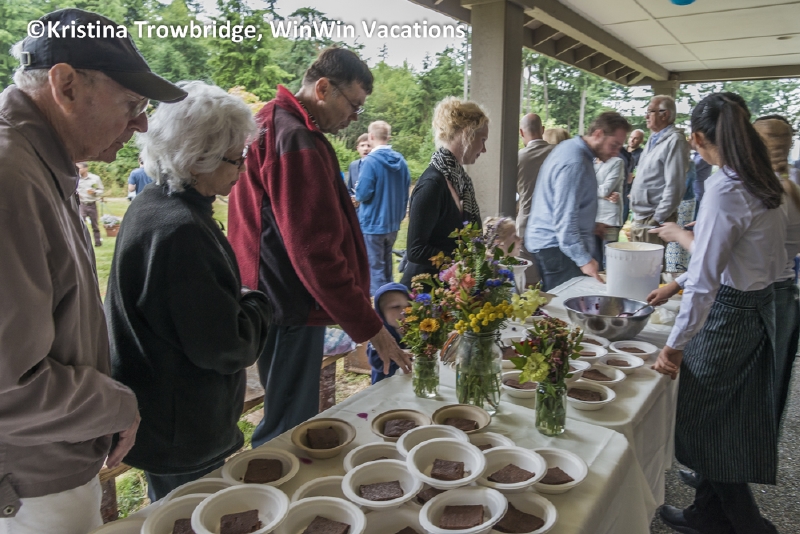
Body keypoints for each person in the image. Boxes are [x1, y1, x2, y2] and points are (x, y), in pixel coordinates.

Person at [0, 8, 186, 534]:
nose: (142, 123)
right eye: (132, 104)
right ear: (65, 85)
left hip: (45, 466)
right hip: (29, 486)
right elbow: (8, 385)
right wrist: (116, 405)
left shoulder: (38, 165)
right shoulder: (11, 180)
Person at [227, 48, 411, 448]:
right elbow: (314, 250)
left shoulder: (272, 121)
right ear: (324, 88)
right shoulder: (294, 137)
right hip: (288, 300)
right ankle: (275, 484)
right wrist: (371, 328)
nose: (354, 118)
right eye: (354, 105)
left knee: (286, 413)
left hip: (271, 294)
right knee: (288, 427)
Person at [105, 82, 272, 501]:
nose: (243, 168)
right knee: (191, 514)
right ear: (199, 159)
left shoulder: (152, 204)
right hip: (183, 429)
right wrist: (257, 303)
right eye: (236, 158)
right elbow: (226, 346)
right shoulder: (181, 231)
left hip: (162, 416)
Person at [647, 93, 786, 534]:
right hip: (758, 308)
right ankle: (705, 515)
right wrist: (675, 283)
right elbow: (729, 260)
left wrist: (674, 345)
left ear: (697, 138)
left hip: (729, 315)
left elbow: (709, 280)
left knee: (703, 424)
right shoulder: (760, 179)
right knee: (725, 419)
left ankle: (750, 526)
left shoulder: (725, 188)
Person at [525, 111, 631, 292]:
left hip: (557, 247)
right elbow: (564, 221)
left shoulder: (571, 148)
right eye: (614, 145)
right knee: (565, 305)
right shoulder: (575, 162)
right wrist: (585, 260)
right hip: (559, 249)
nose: (616, 152)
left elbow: (563, 206)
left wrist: (591, 225)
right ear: (598, 134)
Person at [401, 96, 488, 287]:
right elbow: (416, 250)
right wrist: (462, 262)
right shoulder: (432, 184)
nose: (484, 149)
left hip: (449, 291)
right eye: (482, 140)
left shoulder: (461, 181)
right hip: (423, 293)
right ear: (467, 134)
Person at [753, 115, 800, 424]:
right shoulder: (792, 185)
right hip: (786, 295)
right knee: (775, 384)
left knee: (753, 389)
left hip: (762, 296)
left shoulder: (764, 191)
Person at [356, 120, 411, 295]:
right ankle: (392, 300)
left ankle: (380, 304)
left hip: (372, 223)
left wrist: (357, 189)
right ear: (388, 137)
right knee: (387, 267)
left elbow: (362, 194)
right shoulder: (401, 161)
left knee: (375, 269)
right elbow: (406, 192)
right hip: (393, 223)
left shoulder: (370, 162)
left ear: (371, 136)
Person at [630, 95, 689, 246]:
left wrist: (658, 217)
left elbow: (675, 185)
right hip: (641, 215)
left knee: (649, 261)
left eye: (650, 111)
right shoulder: (653, 138)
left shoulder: (675, 140)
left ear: (665, 114)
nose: (646, 116)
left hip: (653, 217)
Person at [516, 113, 554, 286]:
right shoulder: (557, 154)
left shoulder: (519, 157)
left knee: (528, 284)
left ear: (521, 133)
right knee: (555, 283)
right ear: (542, 129)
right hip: (552, 227)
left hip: (526, 224)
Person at [368, 283, 410, 384]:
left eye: (408, 306)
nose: (404, 311)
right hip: (387, 385)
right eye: (395, 307)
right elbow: (376, 362)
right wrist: (400, 355)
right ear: (381, 313)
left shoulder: (415, 329)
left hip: (408, 381)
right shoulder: (379, 336)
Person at [664, 157, 697, 273]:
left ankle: (676, 271)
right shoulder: (687, 163)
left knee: (677, 242)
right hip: (681, 204)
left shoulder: (686, 164)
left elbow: (680, 189)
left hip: (681, 205)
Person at [592, 155, 625, 269]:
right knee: (595, 260)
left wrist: (591, 191)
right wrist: (602, 194)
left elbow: (605, 190)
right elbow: (580, 186)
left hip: (610, 218)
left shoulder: (617, 162)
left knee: (610, 259)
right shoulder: (590, 161)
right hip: (592, 217)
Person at [76, 162, 104, 246]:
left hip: (92, 204)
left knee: (95, 225)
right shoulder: (76, 178)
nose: (77, 170)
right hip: (81, 204)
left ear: (86, 168)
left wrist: (95, 192)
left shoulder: (95, 178)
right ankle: (82, 243)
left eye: (79, 168)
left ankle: (98, 242)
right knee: (80, 224)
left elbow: (101, 190)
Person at [622, 129, 645, 224]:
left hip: (630, 190)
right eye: (631, 137)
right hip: (617, 187)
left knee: (623, 217)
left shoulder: (643, 154)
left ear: (641, 141)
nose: (632, 140)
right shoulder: (621, 150)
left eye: (636, 138)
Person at [691, 139, 712, 214]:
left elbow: (690, 168)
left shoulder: (703, 157)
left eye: (691, 139)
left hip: (698, 193)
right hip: (695, 191)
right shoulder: (696, 155)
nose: (689, 141)